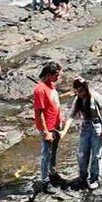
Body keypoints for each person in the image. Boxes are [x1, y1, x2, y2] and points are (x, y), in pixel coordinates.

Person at [62, 77, 102, 189]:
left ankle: (94, 178)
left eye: (81, 91)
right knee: (82, 154)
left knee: (96, 155)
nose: (79, 94)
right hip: (85, 128)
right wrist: (64, 130)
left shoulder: (96, 97)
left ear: (86, 88)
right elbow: (71, 115)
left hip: (97, 128)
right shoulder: (77, 100)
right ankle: (82, 177)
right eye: (77, 92)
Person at [33, 62, 64, 194]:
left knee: (54, 151)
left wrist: (60, 119)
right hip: (48, 128)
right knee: (46, 154)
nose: (58, 77)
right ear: (48, 75)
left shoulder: (51, 85)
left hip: (55, 124)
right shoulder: (40, 90)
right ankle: (45, 181)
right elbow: (39, 112)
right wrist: (46, 132)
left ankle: (52, 173)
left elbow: (56, 104)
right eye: (56, 75)